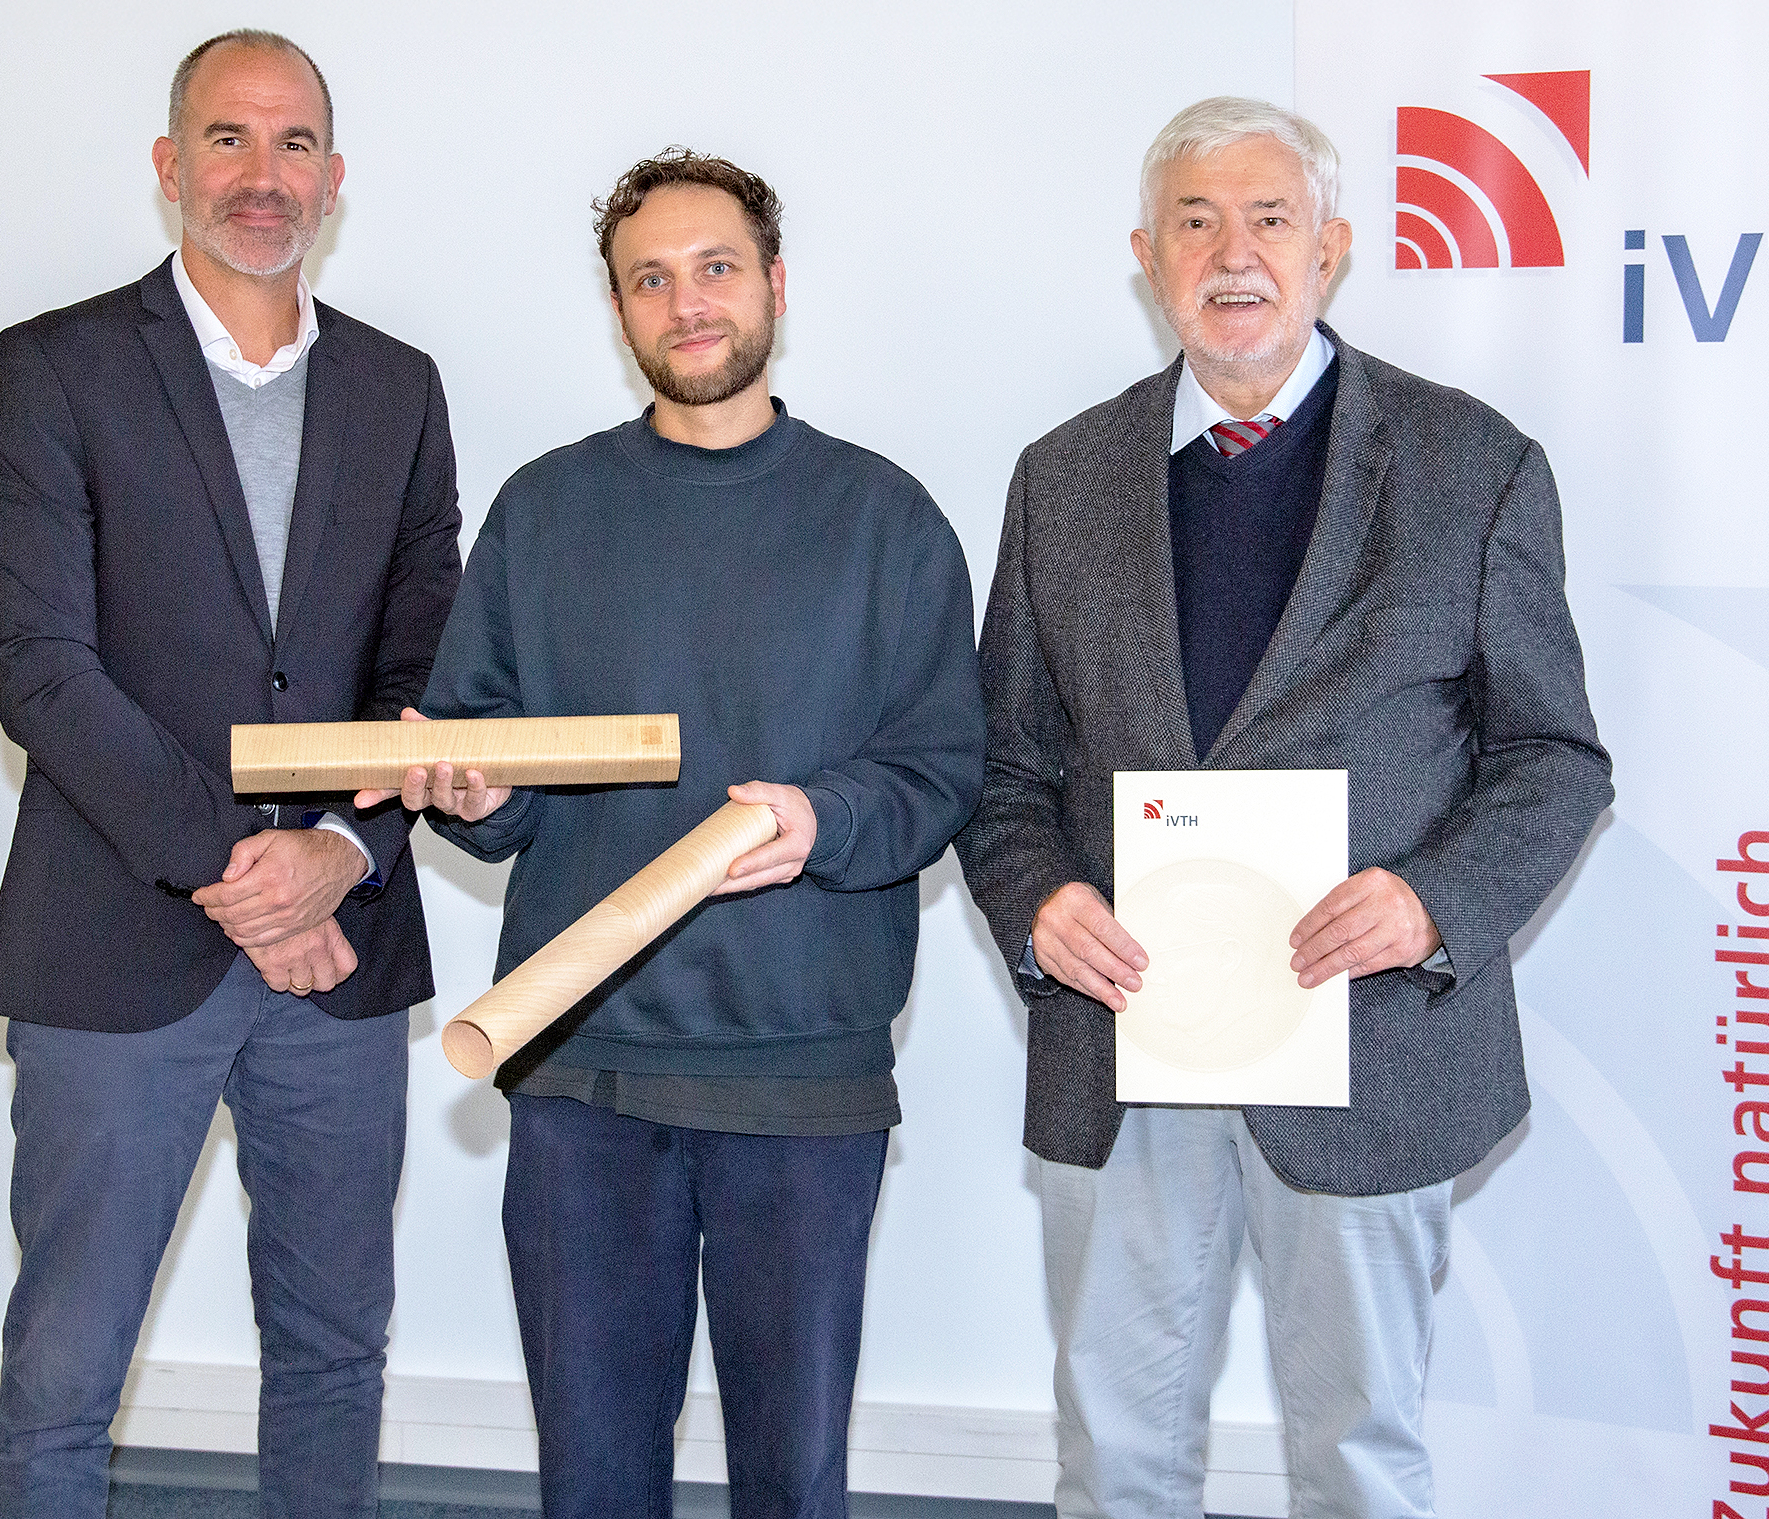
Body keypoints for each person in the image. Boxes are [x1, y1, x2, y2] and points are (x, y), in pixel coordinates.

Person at [952, 96, 1613, 1518]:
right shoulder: (1060, 480)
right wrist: (1037, 899)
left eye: (1269, 218)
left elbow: (1557, 759)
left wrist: (1435, 898)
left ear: (1335, 249)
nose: (1231, 252)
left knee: (1360, 1456)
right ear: (1146, 253)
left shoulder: (1470, 467)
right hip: (1126, 1044)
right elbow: (1003, 767)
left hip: (1369, 1047)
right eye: (1195, 220)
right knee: (1115, 1456)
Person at [365, 148, 982, 1519]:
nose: (686, 302)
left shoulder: (884, 521)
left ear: (774, 285)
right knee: (593, 1482)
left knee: (790, 1482)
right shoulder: (546, 510)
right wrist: (470, 791)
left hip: (802, 1082)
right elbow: (496, 766)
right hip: (583, 1073)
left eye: (714, 269)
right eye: (651, 279)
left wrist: (829, 818)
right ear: (620, 311)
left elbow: (945, 770)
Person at [0, 29, 462, 1518]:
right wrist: (248, 873)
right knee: (64, 1374)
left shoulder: (400, 388)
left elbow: (428, 669)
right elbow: (45, 670)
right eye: (230, 141)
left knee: (332, 1355)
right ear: (171, 167)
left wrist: (343, 854)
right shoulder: (54, 368)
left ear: (336, 180)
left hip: (344, 960)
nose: (265, 176)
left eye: (296, 143)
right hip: (119, 942)